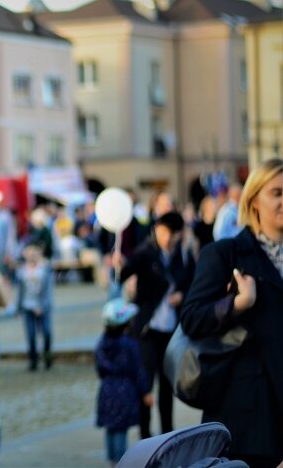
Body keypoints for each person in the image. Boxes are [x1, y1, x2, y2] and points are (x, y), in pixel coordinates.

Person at [180, 157, 283, 468]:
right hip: (248, 421)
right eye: (277, 193)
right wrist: (237, 304)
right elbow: (192, 318)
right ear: (253, 200)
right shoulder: (225, 254)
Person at [115, 211, 195, 438]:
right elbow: (125, 273)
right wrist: (120, 265)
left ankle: (168, 436)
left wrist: (182, 295)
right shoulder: (145, 252)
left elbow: (193, 283)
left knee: (167, 386)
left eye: (170, 233)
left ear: (179, 234)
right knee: (145, 384)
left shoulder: (184, 256)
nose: (165, 238)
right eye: (161, 232)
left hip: (171, 330)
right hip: (147, 329)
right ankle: (145, 435)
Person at [95, 299, 153, 467]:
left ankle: (111, 461)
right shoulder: (130, 344)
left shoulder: (102, 343)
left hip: (106, 390)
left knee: (111, 428)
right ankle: (121, 462)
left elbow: (99, 369)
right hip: (125, 391)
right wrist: (146, 392)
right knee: (120, 428)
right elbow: (138, 370)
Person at [16, 243, 54, 371]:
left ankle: (47, 356)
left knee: (46, 332)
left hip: (43, 307)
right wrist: (18, 308)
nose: (32, 255)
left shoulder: (45, 269)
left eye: (34, 252)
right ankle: (33, 359)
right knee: (31, 335)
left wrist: (42, 306)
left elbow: (48, 290)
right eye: (29, 252)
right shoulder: (21, 271)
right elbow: (20, 291)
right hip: (28, 306)